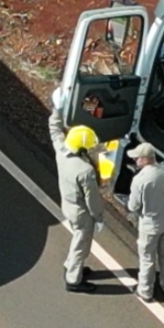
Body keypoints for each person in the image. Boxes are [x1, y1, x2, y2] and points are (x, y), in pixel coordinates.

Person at [49, 115, 104, 292]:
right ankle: (73, 279)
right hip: (82, 213)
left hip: (68, 205)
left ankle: (72, 265)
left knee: (78, 239)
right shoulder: (85, 171)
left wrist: (58, 109)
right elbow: (92, 199)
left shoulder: (61, 151)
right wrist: (98, 216)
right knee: (82, 243)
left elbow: (55, 130)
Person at [126, 142, 164, 302]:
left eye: (137, 158)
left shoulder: (140, 179)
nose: (135, 161)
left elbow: (133, 205)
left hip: (150, 225)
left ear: (145, 159)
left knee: (147, 259)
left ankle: (145, 291)